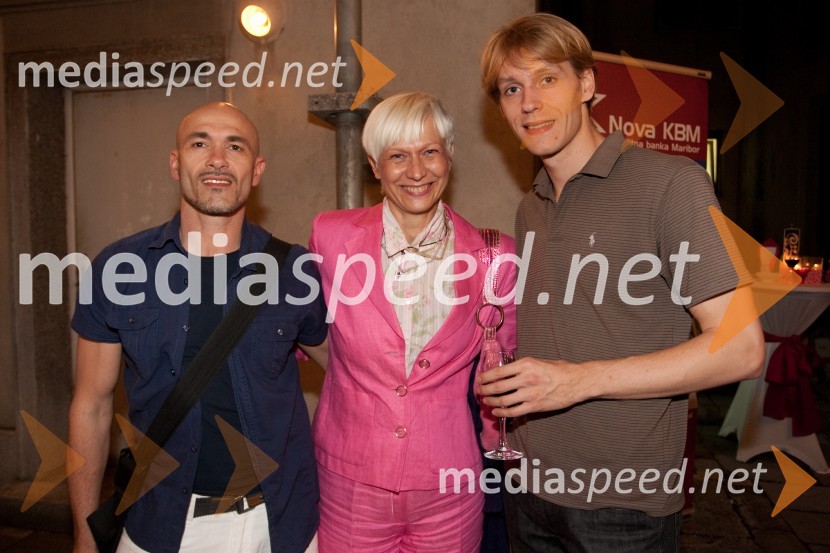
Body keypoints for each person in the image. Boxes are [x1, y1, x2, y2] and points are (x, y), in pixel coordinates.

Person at [477, 13, 765, 553]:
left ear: (587, 84)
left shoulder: (670, 184)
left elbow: (742, 349)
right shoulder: (530, 207)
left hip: (622, 507)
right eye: (511, 88)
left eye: (546, 79)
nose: (528, 102)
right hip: (528, 487)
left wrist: (577, 381)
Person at [68, 102, 327, 553]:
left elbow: (352, 375)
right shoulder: (120, 269)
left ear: (257, 169)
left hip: (282, 526)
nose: (217, 159)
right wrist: (85, 535)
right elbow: (90, 405)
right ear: (175, 163)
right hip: (160, 527)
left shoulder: (295, 270)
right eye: (199, 143)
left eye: (235, 146)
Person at [308, 91, 517, 552]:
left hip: (449, 481)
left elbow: (500, 367)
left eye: (429, 152)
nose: (417, 171)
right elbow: (303, 331)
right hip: (350, 477)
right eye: (398, 156)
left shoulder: (494, 254)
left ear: (450, 156)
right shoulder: (331, 236)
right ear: (374, 164)